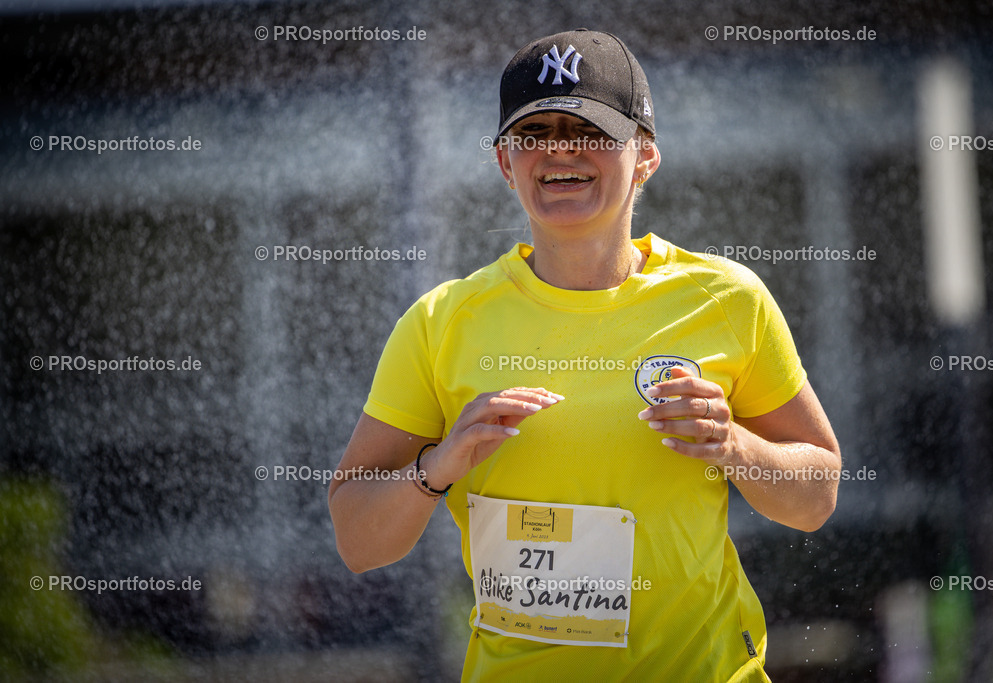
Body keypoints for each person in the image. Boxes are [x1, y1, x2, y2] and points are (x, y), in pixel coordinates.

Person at [328, 28, 841, 682]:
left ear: (646, 155)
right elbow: (357, 538)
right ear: (504, 162)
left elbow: (817, 493)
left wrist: (735, 445)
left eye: (589, 130)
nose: (559, 150)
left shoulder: (725, 300)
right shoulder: (439, 323)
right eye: (533, 134)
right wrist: (439, 462)